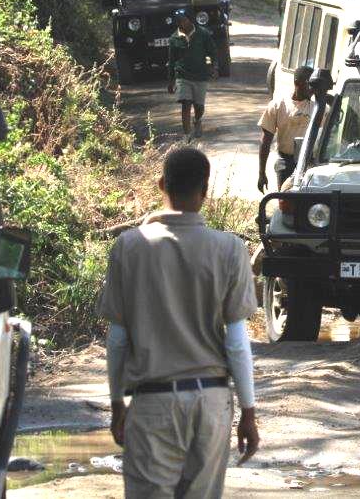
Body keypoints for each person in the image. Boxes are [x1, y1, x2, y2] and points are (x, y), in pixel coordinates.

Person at [99, 147, 260, 498]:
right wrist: (248, 411)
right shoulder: (230, 249)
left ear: (161, 184)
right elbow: (236, 340)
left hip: (154, 403)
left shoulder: (129, 247)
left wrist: (116, 404)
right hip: (212, 403)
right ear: (205, 191)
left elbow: (117, 339)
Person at [257, 66, 313, 191]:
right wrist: (261, 173)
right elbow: (265, 141)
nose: (312, 89)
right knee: (285, 197)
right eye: (308, 84)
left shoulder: (317, 108)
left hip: (309, 162)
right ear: (297, 83)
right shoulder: (278, 105)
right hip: (285, 161)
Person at [167, 9, 218, 140]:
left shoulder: (203, 34)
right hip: (182, 75)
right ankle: (187, 135)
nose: (181, 23)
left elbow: (212, 52)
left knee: (199, 106)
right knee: (186, 103)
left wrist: (213, 66)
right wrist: (171, 80)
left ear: (190, 19)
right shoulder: (174, 38)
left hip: (200, 75)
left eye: (183, 20)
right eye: (178, 21)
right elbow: (172, 60)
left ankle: (197, 120)